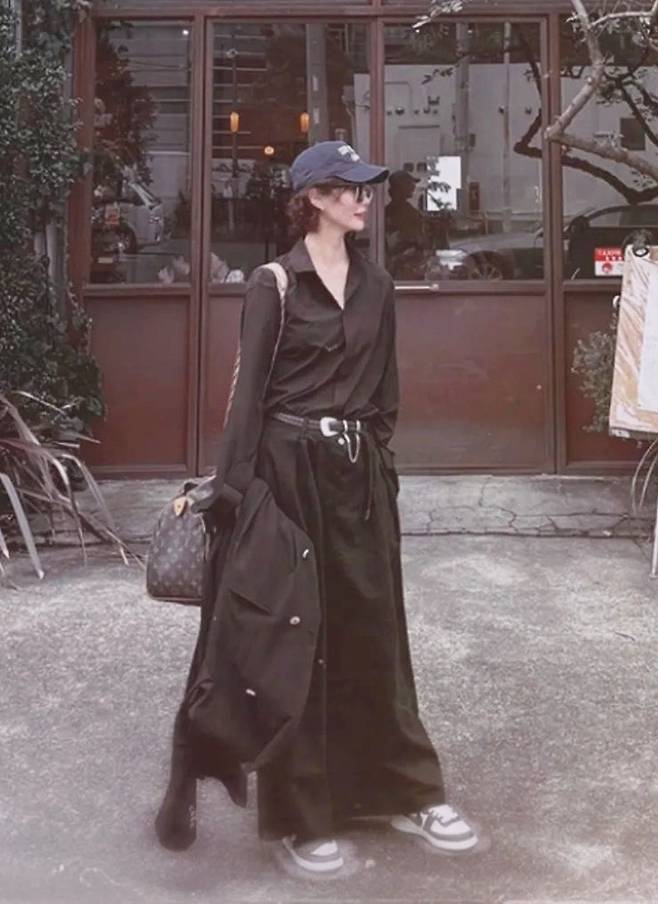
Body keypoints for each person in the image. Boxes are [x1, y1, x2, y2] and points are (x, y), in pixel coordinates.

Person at [155, 140, 478, 874]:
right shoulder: (272, 283)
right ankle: (301, 817)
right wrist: (235, 495)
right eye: (350, 188)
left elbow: (385, 391)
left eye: (366, 188)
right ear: (315, 199)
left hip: (359, 482)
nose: (364, 199)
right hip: (286, 477)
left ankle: (404, 791)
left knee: (375, 635)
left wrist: (375, 464)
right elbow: (248, 399)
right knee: (293, 643)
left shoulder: (378, 285)